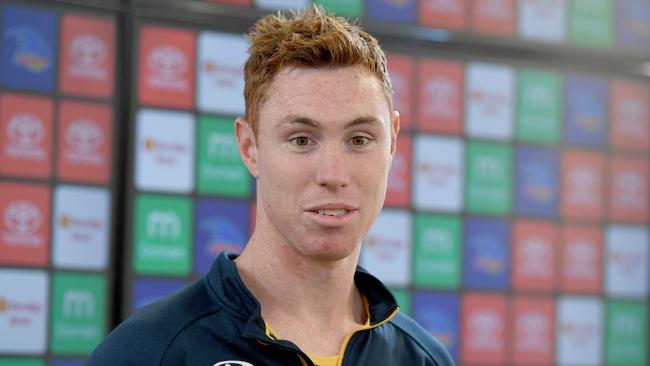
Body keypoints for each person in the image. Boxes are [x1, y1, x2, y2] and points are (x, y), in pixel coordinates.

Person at [87, 5, 454, 366]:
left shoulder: (423, 358)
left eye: (359, 139)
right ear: (250, 147)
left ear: (392, 142)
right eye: (301, 140)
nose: (333, 174)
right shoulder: (149, 352)